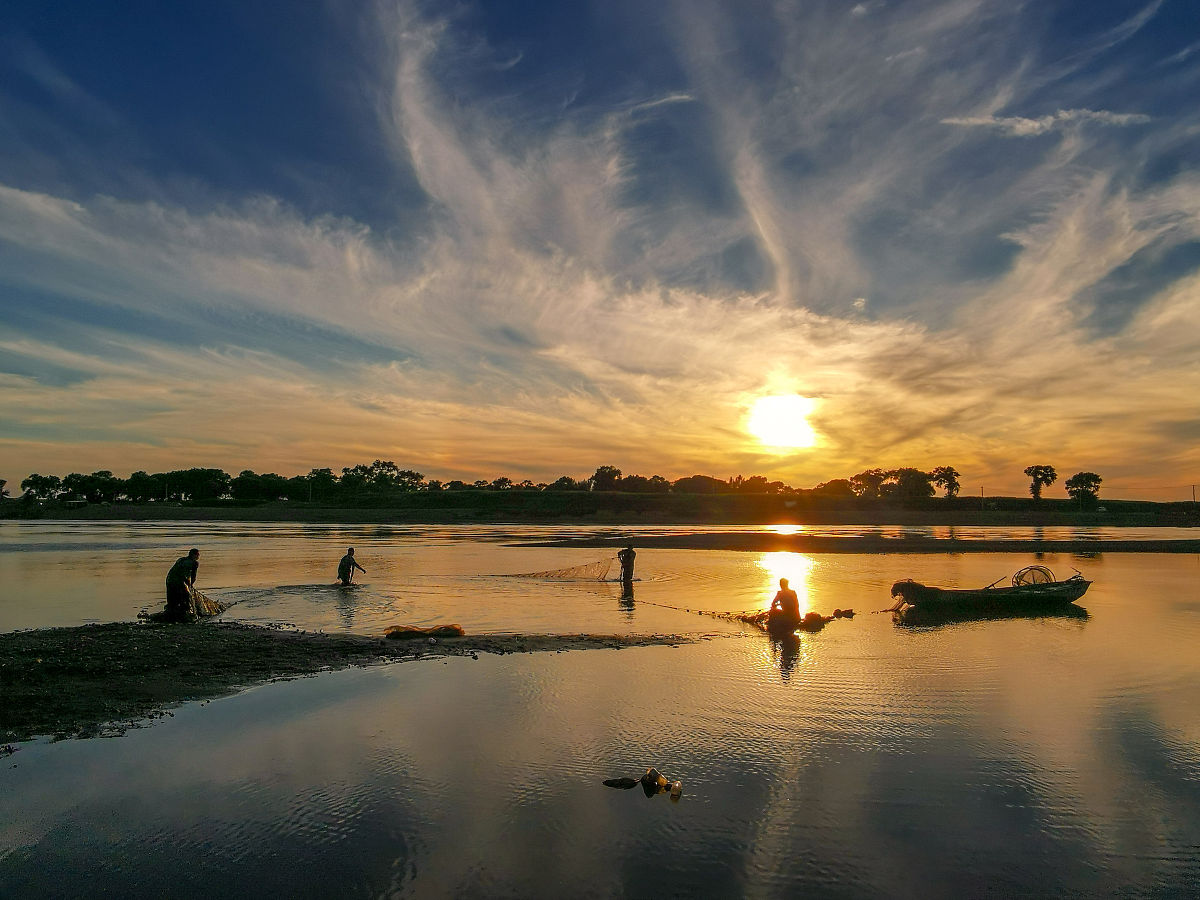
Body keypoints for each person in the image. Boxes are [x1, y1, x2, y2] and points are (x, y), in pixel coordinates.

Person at [165, 548, 200, 621]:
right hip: (179, 581)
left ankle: (172, 613)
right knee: (186, 597)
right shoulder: (194, 563)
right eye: (198, 554)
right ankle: (187, 614)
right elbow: (193, 577)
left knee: (172, 599)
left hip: (169, 580)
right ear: (194, 555)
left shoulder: (181, 559)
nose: (198, 556)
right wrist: (190, 586)